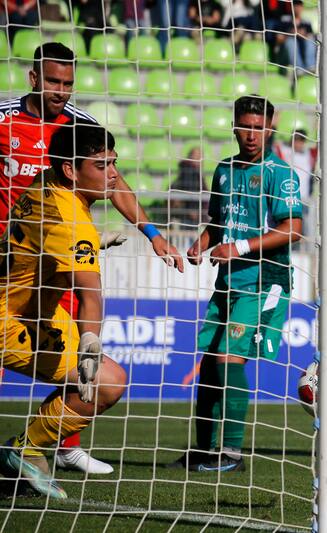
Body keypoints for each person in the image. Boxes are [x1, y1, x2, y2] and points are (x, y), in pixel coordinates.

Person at [0, 42, 184, 474]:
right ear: (33, 79)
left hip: (54, 265)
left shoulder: (82, 131)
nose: (61, 90)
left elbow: (116, 183)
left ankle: (56, 445)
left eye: (68, 82)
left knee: (84, 358)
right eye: (52, 81)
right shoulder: (4, 118)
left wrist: (151, 231)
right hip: (18, 258)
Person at [169, 96, 302, 472]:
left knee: (228, 358)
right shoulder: (225, 169)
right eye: (245, 126)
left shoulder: (282, 174)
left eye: (259, 127)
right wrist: (201, 243)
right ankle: (207, 449)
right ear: (234, 126)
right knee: (211, 364)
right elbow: (218, 220)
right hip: (228, 281)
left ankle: (232, 453)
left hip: (265, 280)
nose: (251, 135)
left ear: (271, 127)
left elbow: (293, 229)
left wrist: (238, 247)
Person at [0, 122, 129, 499]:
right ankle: (25, 450)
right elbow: (90, 295)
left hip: (33, 309)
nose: (114, 174)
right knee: (107, 383)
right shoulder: (73, 223)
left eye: (114, 163)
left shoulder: (45, 180)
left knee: (107, 377)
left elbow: (33, 234)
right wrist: (90, 342)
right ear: (71, 170)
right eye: (102, 165)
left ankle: (27, 450)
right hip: (12, 320)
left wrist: (89, 242)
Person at [169, 146, 209, 227]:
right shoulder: (189, 172)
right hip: (188, 218)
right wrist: (191, 209)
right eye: (197, 156)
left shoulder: (197, 175)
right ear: (190, 157)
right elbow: (188, 190)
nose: (199, 159)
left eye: (201, 157)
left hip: (194, 217)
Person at [276, 0, 316, 75]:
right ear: (292, 7)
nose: (297, 8)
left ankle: (311, 67)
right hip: (286, 53)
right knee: (291, 41)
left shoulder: (306, 23)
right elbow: (279, 39)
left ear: (302, 7)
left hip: (303, 49)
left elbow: (311, 37)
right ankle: (299, 69)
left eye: (299, 6)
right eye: (295, 5)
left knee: (310, 38)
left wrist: (302, 35)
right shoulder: (285, 21)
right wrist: (291, 33)